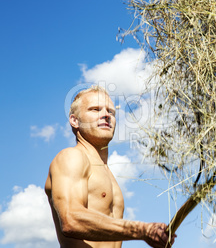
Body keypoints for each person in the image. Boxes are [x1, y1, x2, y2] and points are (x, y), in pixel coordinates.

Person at [45, 86, 175, 248]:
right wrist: (142, 230)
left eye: (111, 112)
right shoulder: (72, 157)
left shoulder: (107, 172)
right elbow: (71, 219)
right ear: (74, 120)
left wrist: (153, 233)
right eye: (95, 109)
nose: (106, 115)